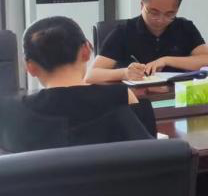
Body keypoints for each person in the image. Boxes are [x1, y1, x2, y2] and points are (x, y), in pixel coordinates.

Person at [0, 16, 153, 152]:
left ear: (29, 67)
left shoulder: (9, 114)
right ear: (86, 51)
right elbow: (151, 158)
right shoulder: (121, 98)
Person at [87, 0, 208, 83]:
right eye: (154, 13)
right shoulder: (123, 31)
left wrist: (166, 60)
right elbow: (91, 75)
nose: (160, 20)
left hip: (177, 97)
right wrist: (124, 73)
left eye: (169, 14)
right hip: (137, 100)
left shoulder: (184, 27)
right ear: (142, 5)